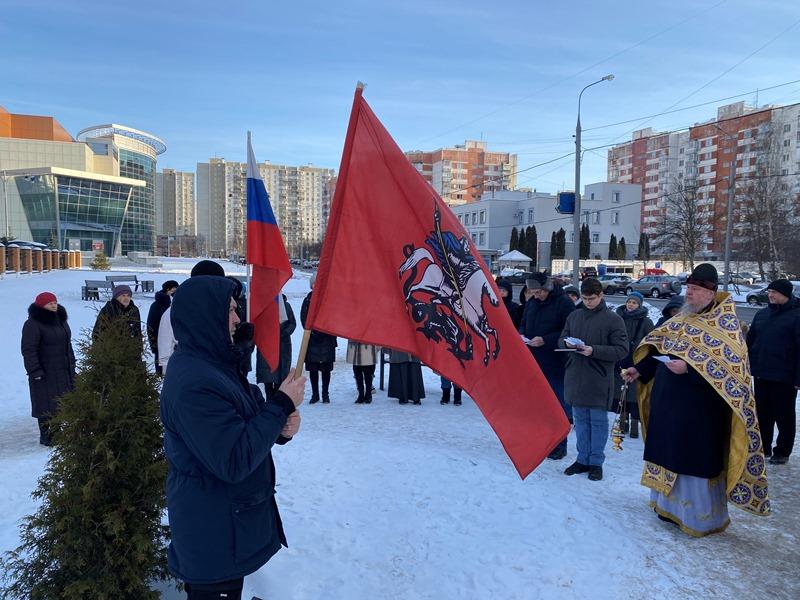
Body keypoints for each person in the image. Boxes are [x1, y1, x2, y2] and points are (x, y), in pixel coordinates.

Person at [160, 276, 304, 599]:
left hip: (226, 528)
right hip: (211, 536)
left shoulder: (214, 366)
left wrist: (279, 428)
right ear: (206, 315)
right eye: (230, 310)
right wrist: (281, 404)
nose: (238, 318)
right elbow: (233, 459)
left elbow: (243, 421)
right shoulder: (193, 383)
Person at [624, 263, 770, 537]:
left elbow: (732, 374)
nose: (688, 293)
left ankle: (697, 518)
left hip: (700, 411)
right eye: (688, 288)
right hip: (669, 405)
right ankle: (666, 507)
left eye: (694, 289)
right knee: (668, 452)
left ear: (710, 292)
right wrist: (640, 369)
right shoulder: (681, 319)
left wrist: (690, 370)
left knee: (691, 460)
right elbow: (659, 349)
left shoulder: (726, 326)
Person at [559, 278, 628, 480]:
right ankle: (582, 459)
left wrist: (594, 350)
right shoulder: (574, 315)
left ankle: (596, 462)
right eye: (585, 298)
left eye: (592, 298)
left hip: (599, 378)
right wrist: (567, 344)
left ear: (601, 296)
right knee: (580, 421)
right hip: (575, 375)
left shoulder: (613, 319)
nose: (588, 302)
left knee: (597, 422)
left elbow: (622, 350)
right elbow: (561, 338)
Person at [518, 273, 575, 460]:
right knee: (537, 405)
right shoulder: (532, 302)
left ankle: (559, 444)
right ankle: (541, 440)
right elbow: (524, 323)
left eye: (539, 292)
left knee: (557, 405)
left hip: (555, 362)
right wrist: (522, 335)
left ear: (547, 287)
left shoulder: (563, 303)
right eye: (533, 293)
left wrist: (545, 340)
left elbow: (568, 331)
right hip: (533, 361)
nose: (536, 295)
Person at [747, 278, 800, 465]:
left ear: (785, 294)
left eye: (774, 292)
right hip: (762, 373)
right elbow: (750, 341)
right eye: (769, 292)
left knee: (784, 416)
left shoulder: (796, 316)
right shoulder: (762, 314)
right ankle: (764, 447)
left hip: (784, 376)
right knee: (763, 414)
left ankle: (782, 452)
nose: (770, 295)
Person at [21, 292, 76, 446]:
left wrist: (71, 364)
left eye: (55, 302)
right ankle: (46, 435)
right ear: (41, 306)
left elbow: (68, 345)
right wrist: (35, 371)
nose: (53, 305)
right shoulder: (33, 324)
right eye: (50, 303)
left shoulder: (61, 320)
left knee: (59, 401)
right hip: (44, 371)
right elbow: (29, 350)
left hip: (62, 369)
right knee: (44, 403)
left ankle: (58, 432)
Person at [158, 260, 226, 374]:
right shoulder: (176, 310)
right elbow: (165, 346)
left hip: (217, 373)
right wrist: (169, 374)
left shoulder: (222, 309)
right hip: (186, 372)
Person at [612, 292, 654, 438]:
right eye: (629, 301)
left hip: (637, 361)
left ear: (639, 305)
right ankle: (623, 420)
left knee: (634, 394)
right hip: (620, 359)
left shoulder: (646, 322)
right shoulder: (618, 318)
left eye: (634, 302)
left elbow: (650, 341)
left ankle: (635, 422)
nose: (631, 305)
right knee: (621, 392)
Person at [301, 273, 337, 403]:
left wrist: (325, 331)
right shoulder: (307, 300)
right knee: (313, 369)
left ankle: (325, 394)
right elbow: (303, 318)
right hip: (312, 339)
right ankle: (315, 395)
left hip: (327, 338)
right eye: (314, 283)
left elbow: (334, 318)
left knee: (326, 369)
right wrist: (312, 332)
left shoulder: (329, 299)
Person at [256, 294, 296, 398]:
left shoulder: (285, 306)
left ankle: (278, 401)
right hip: (266, 346)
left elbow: (292, 323)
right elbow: (257, 323)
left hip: (283, 346)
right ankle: (269, 400)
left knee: (280, 379)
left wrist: (285, 332)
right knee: (268, 379)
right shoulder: (263, 306)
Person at [146, 280, 179, 375]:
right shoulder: (156, 305)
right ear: (167, 290)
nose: (175, 293)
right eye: (173, 290)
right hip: (159, 341)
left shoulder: (176, 304)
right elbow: (151, 325)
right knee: (162, 370)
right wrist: (154, 344)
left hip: (173, 343)